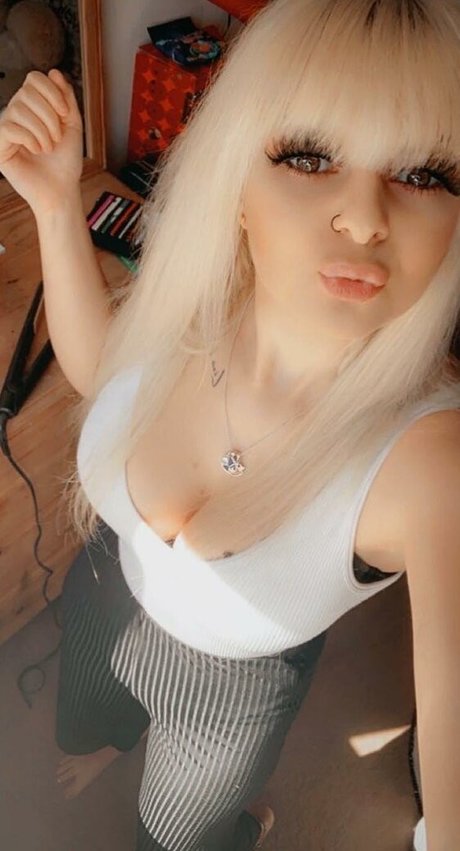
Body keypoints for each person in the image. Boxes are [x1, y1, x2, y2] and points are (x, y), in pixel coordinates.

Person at [0, 0, 459, 848]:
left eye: (425, 174)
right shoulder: (193, 302)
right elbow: (104, 375)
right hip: (108, 588)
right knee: (85, 716)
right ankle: (112, 743)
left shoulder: (430, 462)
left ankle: (244, 821)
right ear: (238, 186)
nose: (365, 220)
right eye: (310, 156)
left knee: (179, 833)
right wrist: (57, 203)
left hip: (229, 695)